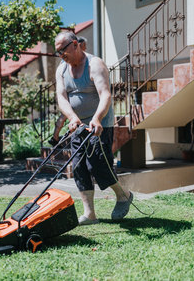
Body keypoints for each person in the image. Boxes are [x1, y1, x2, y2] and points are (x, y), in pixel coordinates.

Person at [54, 31, 133, 225]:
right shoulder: (62, 69)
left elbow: (105, 94)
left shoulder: (95, 64)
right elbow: (62, 97)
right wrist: (72, 117)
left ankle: (123, 195)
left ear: (74, 44)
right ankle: (90, 214)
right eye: (57, 52)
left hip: (100, 123)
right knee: (79, 167)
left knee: (98, 163)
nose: (60, 55)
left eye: (62, 50)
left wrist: (97, 118)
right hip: (77, 125)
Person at [49, 36, 88, 147]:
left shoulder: (85, 59)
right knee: (64, 116)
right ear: (78, 45)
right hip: (70, 93)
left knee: (64, 117)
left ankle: (55, 137)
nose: (85, 48)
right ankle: (55, 137)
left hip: (72, 94)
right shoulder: (66, 62)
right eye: (84, 46)